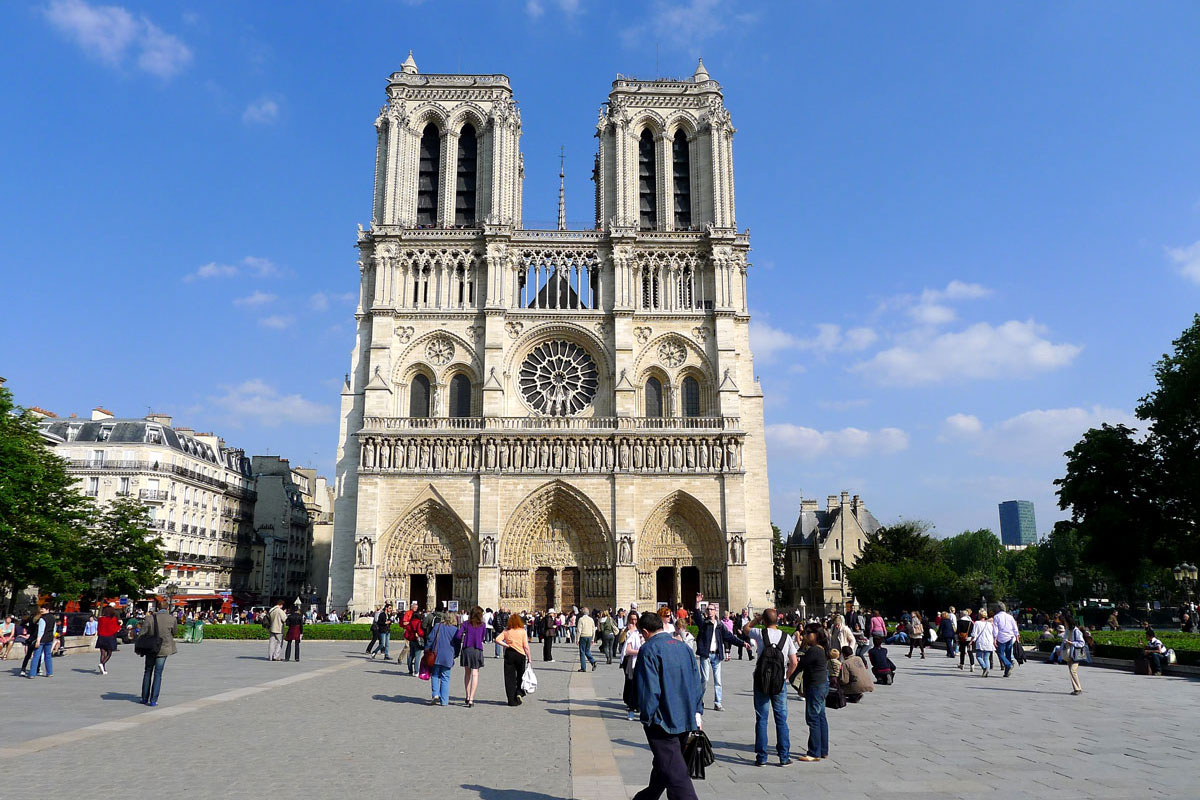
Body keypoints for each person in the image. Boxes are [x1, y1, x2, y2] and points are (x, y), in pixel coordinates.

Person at [632, 611, 704, 800]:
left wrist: (647, 717)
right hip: (686, 718)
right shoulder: (684, 648)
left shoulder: (648, 650)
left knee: (677, 776)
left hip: (662, 722)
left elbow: (649, 690)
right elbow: (698, 683)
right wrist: (697, 712)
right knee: (665, 766)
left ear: (645, 632)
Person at [743, 609, 799, 766]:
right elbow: (794, 662)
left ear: (764, 621)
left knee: (761, 718)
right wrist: (785, 677)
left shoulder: (760, 634)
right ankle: (784, 756)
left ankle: (761, 757)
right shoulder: (786, 637)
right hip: (779, 682)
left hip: (761, 680)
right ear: (778, 621)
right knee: (781, 719)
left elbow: (745, 628)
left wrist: (756, 619)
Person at [695, 603, 746, 711]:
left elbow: (730, 637)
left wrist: (743, 643)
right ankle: (699, 701)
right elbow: (697, 617)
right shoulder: (704, 624)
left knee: (718, 681)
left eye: (711, 609)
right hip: (706, 655)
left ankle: (717, 703)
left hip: (716, 655)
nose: (709, 611)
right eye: (708, 609)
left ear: (715, 611)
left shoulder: (719, 625)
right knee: (705, 679)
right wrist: (697, 604)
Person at [140, 606, 178, 706]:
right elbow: (175, 632)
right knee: (158, 673)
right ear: (167, 608)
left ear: (157, 608)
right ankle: (153, 700)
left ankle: (144, 698)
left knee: (148, 671)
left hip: (150, 648)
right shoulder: (172, 619)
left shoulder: (149, 618)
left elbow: (142, 633)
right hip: (164, 649)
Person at [495, 612, 531, 706]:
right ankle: (519, 692)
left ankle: (511, 700)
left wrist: (506, 645)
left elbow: (497, 639)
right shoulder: (522, 631)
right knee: (521, 675)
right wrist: (529, 658)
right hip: (520, 654)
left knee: (509, 677)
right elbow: (526, 646)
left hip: (509, 654)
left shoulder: (507, 631)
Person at [455, 606, 487, 707]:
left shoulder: (466, 624)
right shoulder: (482, 625)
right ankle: (472, 699)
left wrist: (465, 636)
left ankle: (467, 695)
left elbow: (458, 635)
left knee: (467, 674)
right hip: (477, 649)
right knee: (475, 674)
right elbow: (483, 637)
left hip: (467, 649)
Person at [425, 612, 457, 706]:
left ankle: (435, 694)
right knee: (445, 677)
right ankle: (444, 701)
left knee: (434, 674)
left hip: (436, 654)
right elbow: (457, 643)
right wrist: (456, 653)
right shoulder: (455, 629)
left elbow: (430, 639)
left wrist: (427, 649)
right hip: (448, 656)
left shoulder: (437, 626)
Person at [622, 617, 645, 721]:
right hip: (633, 663)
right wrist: (641, 651)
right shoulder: (633, 634)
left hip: (644, 664)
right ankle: (631, 708)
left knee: (641, 687)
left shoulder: (646, 636)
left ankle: (639, 707)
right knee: (632, 685)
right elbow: (627, 650)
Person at [26, 605, 56, 679]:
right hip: (49, 639)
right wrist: (52, 637)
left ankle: (32, 673)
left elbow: (41, 631)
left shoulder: (42, 619)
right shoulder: (53, 618)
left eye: (43, 609)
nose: (41, 610)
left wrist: (38, 640)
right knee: (48, 656)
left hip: (42, 639)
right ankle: (49, 672)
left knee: (36, 656)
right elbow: (54, 629)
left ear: (47, 609)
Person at [992, 602, 1020, 677]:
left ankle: (1008, 665)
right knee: (1008, 654)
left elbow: (995, 629)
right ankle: (1006, 672)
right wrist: (1017, 636)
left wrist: (994, 638)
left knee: (1000, 653)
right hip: (1010, 637)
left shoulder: (996, 617)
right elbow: (1015, 627)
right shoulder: (1010, 617)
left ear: (998, 608)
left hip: (1001, 637)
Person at [1063, 615, 1087, 694]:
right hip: (1069, 653)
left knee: (1072, 670)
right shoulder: (1067, 630)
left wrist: (1072, 643)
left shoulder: (1076, 631)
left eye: (1065, 622)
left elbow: (1081, 643)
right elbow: (1064, 640)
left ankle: (1078, 689)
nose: (1064, 623)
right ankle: (1076, 688)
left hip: (1076, 653)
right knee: (1071, 671)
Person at [96, 606, 121, 674]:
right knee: (109, 653)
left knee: (102, 653)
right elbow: (116, 628)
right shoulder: (113, 619)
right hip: (110, 637)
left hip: (101, 637)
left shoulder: (101, 619)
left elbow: (98, 627)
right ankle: (102, 664)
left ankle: (103, 669)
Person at [972, 609, 996, 677]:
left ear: (979, 615)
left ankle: (984, 667)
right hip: (989, 642)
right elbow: (992, 633)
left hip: (981, 642)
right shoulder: (989, 624)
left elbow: (974, 634)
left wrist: (971, 640)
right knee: (986, 657)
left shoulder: (977, 623)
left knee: (978, 656)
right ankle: (987, 671)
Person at [576, 606, 597, 672]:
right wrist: (593, 638)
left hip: (583, 636)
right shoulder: (591, 619)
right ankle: (593, 661)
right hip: (589, 636)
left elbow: (579, 630)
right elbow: (593, 629)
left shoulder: (581, 619)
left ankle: (583, 667)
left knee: (582, 652)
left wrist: (577, 639)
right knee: (587, 651)